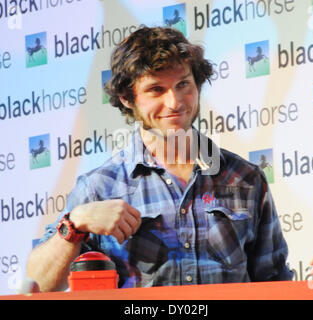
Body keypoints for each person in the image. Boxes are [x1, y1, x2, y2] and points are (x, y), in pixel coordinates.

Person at [26, 26, 293, 292]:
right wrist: (75, 224)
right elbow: (38, 285)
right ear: (127, 98)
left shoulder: (246, 178)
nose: (175, 102)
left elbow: (274, 284)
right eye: (156, 89)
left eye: (183, 85)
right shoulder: (99, 189)